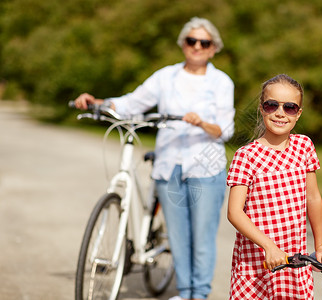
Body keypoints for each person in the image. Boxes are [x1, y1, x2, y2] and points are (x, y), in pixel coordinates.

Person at [74, 17, 235, 300]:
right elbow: (132, 103)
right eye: (191, 41)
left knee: (202, 238)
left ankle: (200, 295)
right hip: (169, 165)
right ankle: (185, 294)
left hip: (205, 168)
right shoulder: (166, 76)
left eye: (204, 42)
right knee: (178, 238)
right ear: (183, 44)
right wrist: (99, 103)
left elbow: (226, 130)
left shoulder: (221, 82)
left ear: (213, 49)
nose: (197, 46)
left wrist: (201, 123)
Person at [226, 74, 322, 299]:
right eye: (272, 105)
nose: (280, 113)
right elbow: (234, 212)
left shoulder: (304, 146)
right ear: (262, 108)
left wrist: (321, 245)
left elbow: (313, 198)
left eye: (289, 107)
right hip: (257, 262)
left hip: (294, 261)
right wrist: (269, 246)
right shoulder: (246, 155)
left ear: (298, 113)